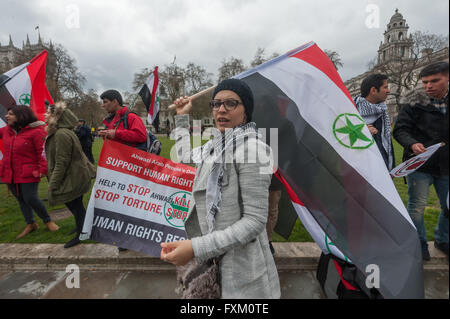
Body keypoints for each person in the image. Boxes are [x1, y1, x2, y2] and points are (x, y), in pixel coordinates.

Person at [160, 79, 281, 299]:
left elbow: (255, 222)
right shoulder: (215, 144)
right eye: (216, 103)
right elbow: (185, 157)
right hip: (213, 264)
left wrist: (196, 248)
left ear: (246, 112)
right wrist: (181, 116)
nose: (221, 109)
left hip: (242, 272)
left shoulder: (254, 150)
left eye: (231, 103)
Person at [393, 62, 449, 261]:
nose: (428, 86)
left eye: (435, 81)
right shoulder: (413, 103)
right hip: (420, 165)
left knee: (448, 207)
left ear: (447, 78)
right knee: (417, 207)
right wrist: (412, 143)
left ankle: (443, 239)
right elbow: (400, 130)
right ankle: (419, 242)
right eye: (425, 82)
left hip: (446, 166)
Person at [0, 105, 60, 239]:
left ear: (21, 116)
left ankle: (48, 221)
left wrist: (43, 170)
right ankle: (31, 223)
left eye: (10, 114)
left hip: (29, 172)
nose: (6, 116)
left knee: (30, 198)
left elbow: (43, 153)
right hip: (9, 172)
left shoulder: (36, 132)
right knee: (20, 199)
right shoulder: (6, 131)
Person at [99, 89, 147, 252]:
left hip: (132, 166)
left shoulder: (132, 117)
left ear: (115, 101)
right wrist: (107, 134)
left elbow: (141, 136)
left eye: (105, 101)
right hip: (117, 167)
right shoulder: (111, 120)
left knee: (131, 202)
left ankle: (138, 235)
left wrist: (115, 133)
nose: (103, 105)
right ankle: (125, 237)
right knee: (120, 203)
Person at [45, 102, 96, 248]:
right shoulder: (63, 132)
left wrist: (53, 184)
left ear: (57, 117)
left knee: (75, 205)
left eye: (49, 113)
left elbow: (62, 162)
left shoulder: (61, 134)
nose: (45, 115)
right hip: (75, 176)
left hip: (73, 177)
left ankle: (81, 233)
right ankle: (83, 227)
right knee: (76, 206)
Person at [354, 74, 395, 171]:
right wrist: (362, 131)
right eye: (385, 87)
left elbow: (386, 142)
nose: (388, 90)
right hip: (362, 169)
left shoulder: (382, 110)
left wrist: (390, 165)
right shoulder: (352, 111)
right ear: (373, 90)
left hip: (383, 167)